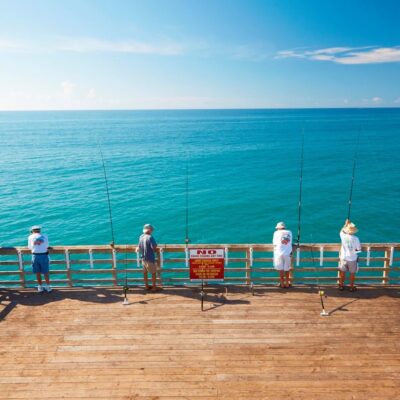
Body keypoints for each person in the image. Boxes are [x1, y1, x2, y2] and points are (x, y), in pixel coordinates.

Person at [27, 225, 52, 293]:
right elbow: (47, 246)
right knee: (46, 272)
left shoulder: (30, 237)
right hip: (44, 255)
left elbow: (29, 247)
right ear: (39, 230)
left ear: (32, 231)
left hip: (35, 256)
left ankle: (40, 287)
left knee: (38, 272)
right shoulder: (45, 236)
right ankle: (48, 287)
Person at [339, 219, 361, 292]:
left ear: (347, 230)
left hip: (343, 258)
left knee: (342, 272)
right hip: (352, 259)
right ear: (353, 231)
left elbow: (341, 231)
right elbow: (358, 250)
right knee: (352, 273)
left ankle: (341, 286)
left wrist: (345, 224)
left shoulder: (343, 236)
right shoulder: (356, 239)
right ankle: (351, 287)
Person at [137, 224, 159, 291]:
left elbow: (139, 246)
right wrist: (158, 248)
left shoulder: (141, 236)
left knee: (145, 273)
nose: (152, 231)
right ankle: (154, 287)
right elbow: (154, 247)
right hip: (150, 258)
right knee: (153, 273)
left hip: (143, 258)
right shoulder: (150, 237)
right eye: (151, 230)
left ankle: (146, 286)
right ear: (149, 230)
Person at [273, 221, 293, 288]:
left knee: (281, 269)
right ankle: (287, 284)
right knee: (287, 269)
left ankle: (281, 283)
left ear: (278, 228)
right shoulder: (290, 232)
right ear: (284, 227)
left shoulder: (276, 233)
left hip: (278, 253)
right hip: (287, 253)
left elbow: (274, 244)